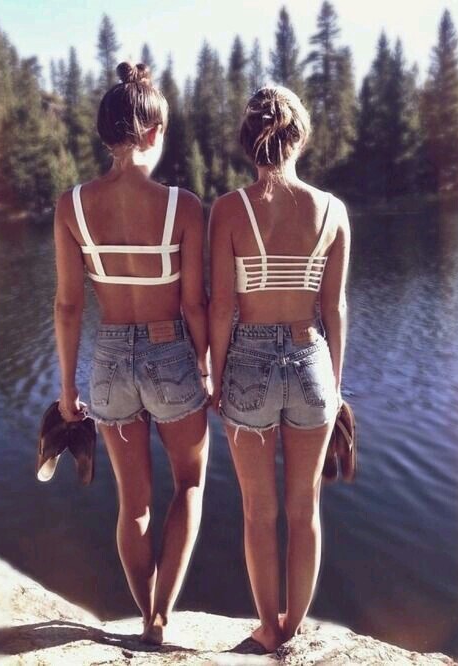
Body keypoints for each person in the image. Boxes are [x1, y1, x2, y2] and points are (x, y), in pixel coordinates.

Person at [53, 62, 209, 644]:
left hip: (110, 360)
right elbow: (194, 304)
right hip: (171, 353)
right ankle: (162, 615)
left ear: (106, 134)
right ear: (153, 132)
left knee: (133, 503)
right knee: (189, 484)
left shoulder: (72, 206)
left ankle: (144, 614)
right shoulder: (183, 206)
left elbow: (68, 306)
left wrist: (68, 387)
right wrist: (207, 367)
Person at [209, 85, 350, 651]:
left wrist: (215, 375)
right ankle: (293, 628)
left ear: (249, 143)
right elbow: (334, 308)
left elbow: (222, 306)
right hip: (312, 359)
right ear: (301, 138)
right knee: (304, 508)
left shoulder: (229, 210)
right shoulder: (332, 211)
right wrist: (336, 385)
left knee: (257, 512)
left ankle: (268, 629)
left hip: (247, 362)